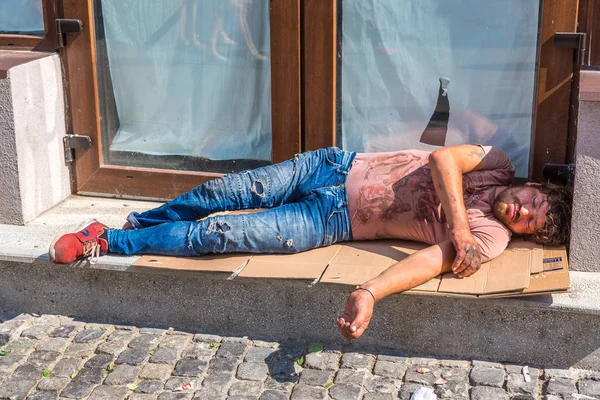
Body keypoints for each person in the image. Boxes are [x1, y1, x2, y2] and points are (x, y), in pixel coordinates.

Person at [49, 145, 572, 341]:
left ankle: (109, 239)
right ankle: (139, 221)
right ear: (531, 185)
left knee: (222, 232)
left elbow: (432, 262)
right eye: (531, 200)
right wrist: (458, 224)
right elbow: (442, 160)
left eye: (530, 222)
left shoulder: (493, 237)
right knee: (221, 190)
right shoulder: (497, 161)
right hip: (335, 164)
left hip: (333, 220)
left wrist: (370, 291)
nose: (521, 211)